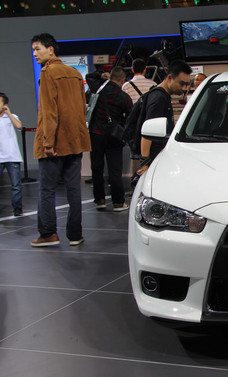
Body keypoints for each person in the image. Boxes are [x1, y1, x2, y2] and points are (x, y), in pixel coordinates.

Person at [30, 33, 91, 247]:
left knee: (47, 190)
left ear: (50, 49)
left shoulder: (48, 72)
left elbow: (49, 111)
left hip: (55, 143)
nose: (35, 53)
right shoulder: (74, 73)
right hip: (75, 140)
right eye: (33, 49)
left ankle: (48, 234)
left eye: (38, 49)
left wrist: (48, 142)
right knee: (74, 190)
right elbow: (82, 108)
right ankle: (75, 234)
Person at [137, 59, 192, 176]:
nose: (184, 88)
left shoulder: (163, 96)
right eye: (181, 84)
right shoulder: (159, 98)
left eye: (187, 85)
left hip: (158, 156)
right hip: (154, 159)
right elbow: (148, 132)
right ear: (170, 78)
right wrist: (145, 162)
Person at [89, 67, 132, 212]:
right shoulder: (124, 97)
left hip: (96, 133)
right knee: (115, 170)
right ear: (122, 80)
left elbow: (89, 76)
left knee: (97, 168)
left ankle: (100, 200)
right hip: (114, 135)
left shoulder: (98, 90)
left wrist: (102, 75)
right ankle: (118, 202)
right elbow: (130, 117)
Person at [0, 92, 24, 217]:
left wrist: (9, 113)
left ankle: (17, 207)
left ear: (4, 105)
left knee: (15, 184)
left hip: (12, 156)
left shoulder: (12, 117)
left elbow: (19, 126)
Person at [122, 58, 157, 175]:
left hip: (134, 123)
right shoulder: (153, 84)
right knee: (150, 152)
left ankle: (135, 179)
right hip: (149, 121)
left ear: (132, 69)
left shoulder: (126, 86)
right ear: (145, 69)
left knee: (135, 153)